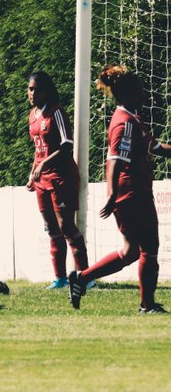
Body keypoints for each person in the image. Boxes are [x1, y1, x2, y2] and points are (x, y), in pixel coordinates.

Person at [68, 65, 171, 313]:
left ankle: (81, 279)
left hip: (133, 192)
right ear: (126, 94)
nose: (143, 96)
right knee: (149, 248)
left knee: (131, 252)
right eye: (139, 91)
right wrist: (112, 194)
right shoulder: (124, 123)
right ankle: (147, 306)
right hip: (132, 193)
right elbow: (114, 159)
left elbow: (156, 148)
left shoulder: (133, 119)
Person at [25, 71, 93, 290]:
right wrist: (33, 171)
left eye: (36, 89)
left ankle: (86, 276)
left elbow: (67, 146)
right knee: (51, 227)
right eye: (30, 89)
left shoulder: (57, 113)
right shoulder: (33, 115)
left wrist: (44, 164)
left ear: (47, 91)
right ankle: (60, 278)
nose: (32, 93)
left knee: (66, 226)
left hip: (61, 177)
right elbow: (38, 150)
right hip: (41, 180)